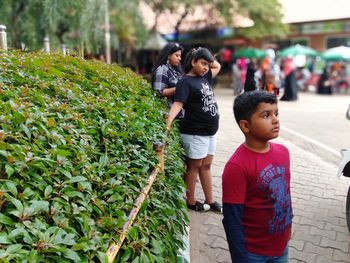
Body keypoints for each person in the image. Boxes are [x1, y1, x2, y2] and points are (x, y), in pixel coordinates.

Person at [222, 90, 293, 262]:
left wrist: (288, 229)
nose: (276, 120)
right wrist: (240, 257)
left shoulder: (283, 152)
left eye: (276, 113)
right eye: (266, 115)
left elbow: (285, 196)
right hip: (252, 253)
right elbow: (232, 219)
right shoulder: (236, 167)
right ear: (245, 125)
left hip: (280, 246)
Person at [166, 47, 222, 212]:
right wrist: (169, 120)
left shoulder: (205, 77)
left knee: (206, 166)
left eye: (207, 64)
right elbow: (178, 103)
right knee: (194, 167)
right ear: (193, 62)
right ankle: (190, 201)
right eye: (203, 63)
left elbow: (216, 66)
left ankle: (210, 200)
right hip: (195, 132)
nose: (206, 67)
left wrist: (205, 53)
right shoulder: (185, 82)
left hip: (210, 131)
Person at [152, 42, 184, 115]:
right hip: (167, 113)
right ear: (169, 55)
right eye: (177, 55)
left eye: (180, 56)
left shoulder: (175, 70)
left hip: (179, 113)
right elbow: (158, 92)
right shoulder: (162, 69)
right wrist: (179, 88)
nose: (180, 58)